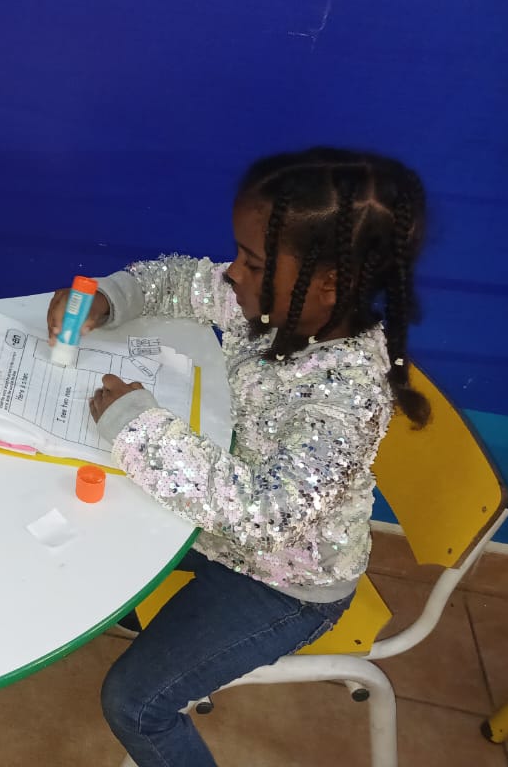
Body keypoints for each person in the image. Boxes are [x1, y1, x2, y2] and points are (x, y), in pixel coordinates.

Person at [45, 148, 429, 766]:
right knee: (83, 513)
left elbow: (263, 516)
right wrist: (110, 298)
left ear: (327, 284)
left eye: (251, 262)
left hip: (283, 583)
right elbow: (185, 281)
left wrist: (139, 426)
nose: (231, 275)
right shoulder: (277, 308)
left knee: (135, 703)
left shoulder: (343, 398)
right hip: (220, 527)